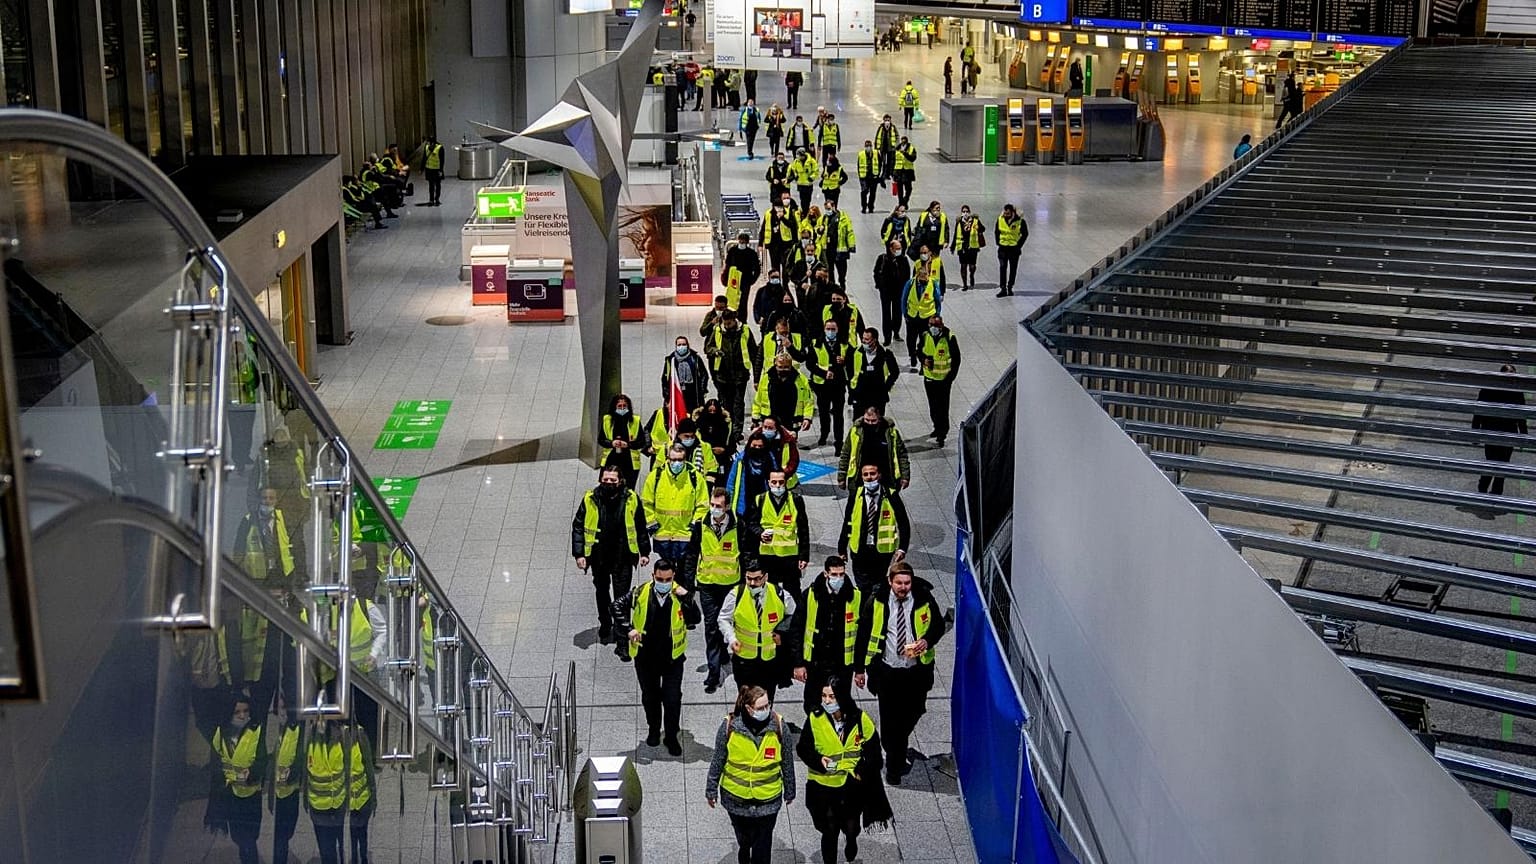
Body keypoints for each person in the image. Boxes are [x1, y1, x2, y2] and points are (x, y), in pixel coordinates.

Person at [857, 563, 945, 784]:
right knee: (889, 721)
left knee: (914, 711)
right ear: (890, 582)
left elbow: (938, 625)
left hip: (916, 672)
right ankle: (894, 765)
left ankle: (898, 744)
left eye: (907, 583)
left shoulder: (923, 600)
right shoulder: (876, 602)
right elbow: (864, 634)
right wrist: (859, 669)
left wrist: (926, 640)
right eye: (899, 583)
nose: (903, 587)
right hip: (887, 672)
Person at [797, 677, 891, 864]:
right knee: (829, 830)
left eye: (831, 696)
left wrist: (861, 770)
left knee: (851, 826)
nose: (827, 701)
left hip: (851, 786)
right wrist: (817, 760)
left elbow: (874, 753)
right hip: (823, 785)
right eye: (824, 696)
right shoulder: (815, 719)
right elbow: (803, 748)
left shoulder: (860, 719)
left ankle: (851, 840)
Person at [614, 560, 701, 756]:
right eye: (660, 579)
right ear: (653, 576)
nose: (664, 582)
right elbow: (617, 606)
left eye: (668, 579)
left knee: (672, 699)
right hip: (645, 658)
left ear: (673, 578)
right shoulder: (641, 592)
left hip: (672, 659)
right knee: (650, 698)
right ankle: (653, 730)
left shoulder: (680, 595)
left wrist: (687, 597)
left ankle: (671, 736)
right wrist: (628, 629)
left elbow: (695, 618)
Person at [705, 685, 797, 864]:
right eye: (760, 707)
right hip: (736, 798)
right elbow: (718, 759)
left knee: (762, 846)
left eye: (767, 705)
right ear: (748, 708)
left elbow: (787, 760)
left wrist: (790, 790)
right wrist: (711, 789)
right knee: (744, 837)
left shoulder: (779, 725)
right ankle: (744, 847)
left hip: (768, 800)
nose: (766, 710)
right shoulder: (730, 727)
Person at [572, 465, 652, 646]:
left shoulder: (631, 499)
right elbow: (578, 526)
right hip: (599, 557)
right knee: (601, 593)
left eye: (612, 480)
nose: (608, 483)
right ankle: (605, 623)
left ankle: (622, 634)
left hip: (623, 556)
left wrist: (644, 551)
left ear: (620, 481)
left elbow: (640, 526)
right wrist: (579, 554)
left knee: (622, 597)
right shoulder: (590, 499)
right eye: (605, 480)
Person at [793, 559, 865, 714]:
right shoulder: (811, 595)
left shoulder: (856, 597)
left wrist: (859, 669)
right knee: (813, 702)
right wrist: (798, 663)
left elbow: (861, 637)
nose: (838, 578)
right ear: (826, 573)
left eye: (841, 574)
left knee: (841, 701)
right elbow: (797, 629)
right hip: (816, 661)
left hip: (842, 663)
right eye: (834, 574)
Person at [719, 562, 799, 700]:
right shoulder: (736, 594)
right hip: (744, 659)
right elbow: (723, 619)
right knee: (746, 700)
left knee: (766, 699)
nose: (752, 583)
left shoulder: (780, 594)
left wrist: (782, 632)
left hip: (769, 659)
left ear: (765, 577)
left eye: (757, 578)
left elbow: (795, 617)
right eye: (749, 578)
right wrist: (731, 638)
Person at [691, 488, 745, 693]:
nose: (714, 509)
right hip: (707, 584)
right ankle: (714, 673)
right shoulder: (701, 525)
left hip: (731, 585)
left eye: (718, 506)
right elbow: (692, 554)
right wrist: (688, 583)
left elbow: (746, 553)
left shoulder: (739, 526)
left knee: (731, 623)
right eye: (712, 505)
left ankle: (726, 654)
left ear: (727, 507)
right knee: (711, 626)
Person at [643, 444, 710, 596]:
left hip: (687, 536)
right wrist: (653, 523)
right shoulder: (656, 476)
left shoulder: (694, 477)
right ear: (667, 459)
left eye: (680, 459)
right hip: (663, 536)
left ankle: (687, 612)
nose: (677, 463)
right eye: (673, 459)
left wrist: (694, 524)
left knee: (687, 578)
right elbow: (646, 502)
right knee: (667, 577)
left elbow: (703, 505)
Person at [206, 694, 266, 864]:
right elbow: (215, 759)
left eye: (245, 711)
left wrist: (252, 773)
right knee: (239, 838)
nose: (242, 715)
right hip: (230, 795)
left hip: (250, 795)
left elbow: (262, 760)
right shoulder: (221, 732)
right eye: (237, 712)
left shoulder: (256, 731)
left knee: (249, 840)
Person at [306, 720, 376, 864]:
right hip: (321, 811)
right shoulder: (312, 737)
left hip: (344, 808)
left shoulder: (351, 736)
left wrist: (372, 798)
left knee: (354, 843)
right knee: (330, 852)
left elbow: (367, 767)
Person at [839, 464, 911, 592]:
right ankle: (865, 609)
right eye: (865, 474)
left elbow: (903, 523)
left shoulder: (891, 495)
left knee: (878, 586)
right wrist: (842, 547)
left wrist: (902, 548)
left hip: (882, 552)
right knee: (863, 587)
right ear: (861, 477)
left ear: (879, 475)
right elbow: (848, 522)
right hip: (860, 550)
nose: (869, 477)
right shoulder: (855, 495)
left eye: (872, 474)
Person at [749, 467, 810, 603]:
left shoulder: (795, 500)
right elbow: (752, 524)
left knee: (793, 592)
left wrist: (804, 556)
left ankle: (794, 621)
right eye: (774, 482)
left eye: (781, 482)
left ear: (786, 482)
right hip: (767, 556)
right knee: (769, 592)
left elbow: (803, 530)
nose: (778, 486)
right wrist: (760, 533)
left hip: (790, 556)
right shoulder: (760, 500)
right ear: (769, 482)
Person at [1474, 363, 1528, 502]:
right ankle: (1482, 489)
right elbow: (1478, 411)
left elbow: (1521, 415)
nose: (1512, 379)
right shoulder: (1488, 390)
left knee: (1504, 464)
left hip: (1509, 432)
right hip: (1491, 432)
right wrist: (1475, 432)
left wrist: (1523, 436)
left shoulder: (1517, 391)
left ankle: (1496, 494)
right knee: (1492, 461)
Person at [706, 310, 760, 441]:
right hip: (722, 376)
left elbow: (754, 353)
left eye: (729, 323)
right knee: (725, 404)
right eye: (725, 323)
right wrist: (715, 351)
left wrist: (756, 377)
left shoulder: (745, 331)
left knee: (738, 404)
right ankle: (726, 430)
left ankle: (736, 432)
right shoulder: (718, 331)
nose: (727, 326)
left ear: (734, 320)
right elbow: (708, 347)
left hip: (740, 375)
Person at [838, 403, 911, 492]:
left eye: (873, 421)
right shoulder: (855, 432)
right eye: (867, 420)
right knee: (854, 505)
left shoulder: (891, 433)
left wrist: (905, 476)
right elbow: (845, 454)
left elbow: (902, 455)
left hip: (886, 477)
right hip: (859, 478)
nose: (870, 423)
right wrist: (841, 477)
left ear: (879, 418)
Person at [807, 319, 852, 452]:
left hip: (838, 384)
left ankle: (839, 441)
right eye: (828, 329)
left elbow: (852, 363)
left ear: (837, 330)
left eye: (833, 329)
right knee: (823, 412)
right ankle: (824, 434)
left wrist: (845, 361)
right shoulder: (816, 344)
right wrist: (823, 373)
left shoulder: (845, 345)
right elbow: (810, 364)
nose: (830, 332)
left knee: (838, 414)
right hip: (822, 385)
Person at [920, 314, 962, 446]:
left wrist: (950, 378)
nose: (933, 328)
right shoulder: (925, 336)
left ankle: (942, 433)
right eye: (930, 325)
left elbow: (956, 359)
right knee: (933, 406)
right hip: (929, 378)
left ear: (941, 326)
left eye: (935, 325)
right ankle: (936, 427)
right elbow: (919, 351)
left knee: (943, 407)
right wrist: (923, 359)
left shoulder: (949, 338)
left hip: (944, 380)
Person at [847, 328, 900, 420]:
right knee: (858, 422)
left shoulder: (886, 354)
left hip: (878, 395)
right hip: (860, 394)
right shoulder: (856, 353)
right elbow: (850, 373)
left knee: (877, 422)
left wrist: (886, 387)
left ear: (875, 340)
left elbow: (895, 372)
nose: (864, 341)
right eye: (863, 338)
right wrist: (852, 391)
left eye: (867, 339)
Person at [598, 393, 648, 488]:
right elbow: (601, 440)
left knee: (628, 488)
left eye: (624, 406)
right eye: (619, 406)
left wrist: (628, 445)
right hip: (611, 459)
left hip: (629, 461)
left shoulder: (635, 421)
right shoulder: (607, 420)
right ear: (614, 407)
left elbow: (641, 442)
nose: (622, 408)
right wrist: (612, 443)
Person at [902, 256, 943, 370]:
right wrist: (905, 314)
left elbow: (937, 300)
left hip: (927, 316)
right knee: (911, 339)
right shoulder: (910, 283)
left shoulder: (933, 284)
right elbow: (904, 299)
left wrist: (937, 314)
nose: (925, 279)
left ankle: (921, 359)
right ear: (918, 276)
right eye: (922, 277)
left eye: (926, 276)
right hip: (912, 316)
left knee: (924, 340)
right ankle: (912, 354)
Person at [753, 354, 814, 431]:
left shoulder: (801, 380)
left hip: (791, 421)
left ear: (791, 365)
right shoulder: (766, 378)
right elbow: (758, 400)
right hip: (770, 421)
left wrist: (807, 418)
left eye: (786, 367)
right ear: (775, 365)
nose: (783, 369)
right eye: (780, 367)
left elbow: (808, 401)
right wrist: (755, 419)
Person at [663, 335, 712, 422]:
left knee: (695, 417)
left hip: (693, 394)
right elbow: (665, 379)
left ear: (687, 345)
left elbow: (704, 374)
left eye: (683, 344)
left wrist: (702, 389)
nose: (681, 347)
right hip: (678, 393)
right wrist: (667, 396)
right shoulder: (671, 360)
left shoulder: (695, 358)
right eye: (679, 345)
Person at [873, 240, 910, 347]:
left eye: (900, 248)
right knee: (886, 313)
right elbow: (876, 272)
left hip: (899, 291)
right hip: (886, 291)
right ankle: (887, 336)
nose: (899, 250)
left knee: (897, 312)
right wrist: (880, 285)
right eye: (897, 248)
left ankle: (896, 332)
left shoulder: (903, 259)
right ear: (891, 248)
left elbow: (907, 274)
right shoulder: (882, 259)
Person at [819, 200, 856, 288]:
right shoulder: (823, 218)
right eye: (826, 209)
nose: (828, 210)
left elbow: (849, 232)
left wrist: (851, 245)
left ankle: (842, 284)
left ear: (834, 206)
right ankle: (832, 286)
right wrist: (819, 230)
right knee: (830, 270)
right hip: (828, 249)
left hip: (840, 249)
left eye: (829, 208)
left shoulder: (843, 218)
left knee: (842, 271)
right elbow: (818, 229)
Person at [995, 203, 1028, 297]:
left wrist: (1019, 245)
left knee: (1013, 269)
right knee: (1002, 267)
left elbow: (1025, 234)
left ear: (1013, 213)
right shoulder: (1000, 219)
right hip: (1003, 248)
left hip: (1014, 249)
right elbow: (996, 231)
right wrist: (998, 242)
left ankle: (1010, 287)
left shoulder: (1020, 221)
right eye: (1005, 213)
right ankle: (1003, 288)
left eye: (1008, 214)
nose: (1006, 215)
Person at [951, 205, 985, 291]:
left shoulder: (975, 221)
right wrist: (953, 246)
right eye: (963, 212)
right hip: (962, 247)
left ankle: (972, 275)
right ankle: (965, 284)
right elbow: (956, 234)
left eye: (967, 211)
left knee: (972, 266)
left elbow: (983, 229)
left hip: (973, 247)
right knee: (963, 266)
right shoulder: (959, 222)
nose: (965, 213)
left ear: (969, 212)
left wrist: (978, 228)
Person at [760, 202, 800, 273]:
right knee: (775, 266)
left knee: (785, 265)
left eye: (780, 207)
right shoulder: (768, 214)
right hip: (772, 244)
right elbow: (763, 229)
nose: (779, 209)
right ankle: (776, 281)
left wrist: (782, 218)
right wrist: (760, 243)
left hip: (785, 244)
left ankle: (785, 283)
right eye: (777, 207)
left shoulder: (787, 213)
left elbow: (793, 226)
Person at [791, 147, 819, 213]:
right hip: (800, 184)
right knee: (802, 200)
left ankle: (806, 211)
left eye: (799, 155)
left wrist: (811, 177)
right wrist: (796, 176)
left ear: (803, 155)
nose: (798, 157)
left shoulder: (811, 161)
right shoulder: (796, 161)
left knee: (808, 200)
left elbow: (816, 171)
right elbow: (793, 169)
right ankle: (804, 212)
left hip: (808, 185)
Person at [855, 139, 880, 214]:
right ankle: (864, 207)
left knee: (873, 193)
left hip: (873, 176)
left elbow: (880, 163)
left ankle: (871, 206)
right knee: (864, 191)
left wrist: (878, 174)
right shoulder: (861, 154)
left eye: (869, 146)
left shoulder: (876, 153)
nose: (868, 147)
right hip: (864, 177)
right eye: (867, 146)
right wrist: (860, 176)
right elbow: (858, 165)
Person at [892, 136, 917, 208]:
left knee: (908, 188)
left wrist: (905, 153)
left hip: (907, 171)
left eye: (904, 140)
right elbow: (892, 160)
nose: (903, 141)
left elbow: (913, 158)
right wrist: (892, 172)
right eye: (902, 140)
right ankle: (901, 203)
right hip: (898, 171)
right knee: (899, 189)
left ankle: (905, 200)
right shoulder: (896, 149)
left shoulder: (911, 148)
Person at [420, 135, 445, 206]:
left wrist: (441, 170)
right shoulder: (427, 147)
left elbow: (442, 160)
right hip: (429, 169)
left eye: (431, 142)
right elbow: (424, 158)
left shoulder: (440, 148)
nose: (430, 144)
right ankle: (431, 200)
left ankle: (437, 199)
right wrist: (421, 169)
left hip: (437, 170)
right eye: (429, 142)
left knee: (437, 185)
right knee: (431, 185)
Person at [874, 115, 899, 180]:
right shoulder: (881, 128)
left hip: (891, 148)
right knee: (883, 162)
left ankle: (888, 174)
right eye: (886, 120)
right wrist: (876, 147)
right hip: (883, 148)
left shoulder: (893, 127)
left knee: (890, 162)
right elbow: (877, 137)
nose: (887, 121)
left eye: (888, 120)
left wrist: (896, 145)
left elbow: (897, 136)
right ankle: (883, 174)